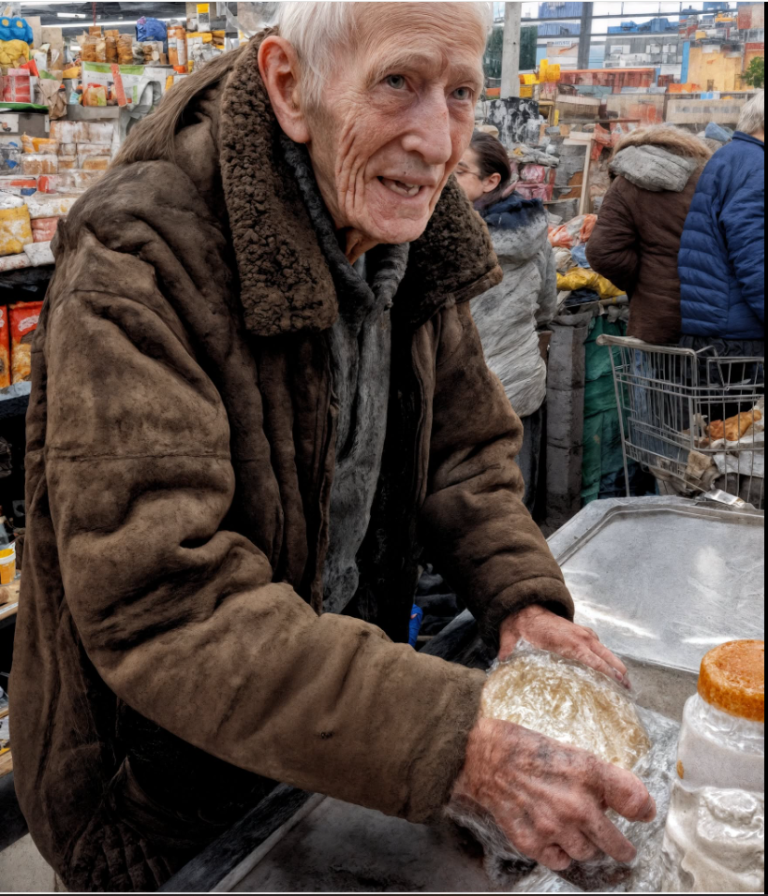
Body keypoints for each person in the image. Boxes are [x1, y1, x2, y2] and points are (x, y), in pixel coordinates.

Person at [11, 4, 654, 891]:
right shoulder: (142, 257)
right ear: (289, 85)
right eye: (397, 82)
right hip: (162, 797)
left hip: (335, 741)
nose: (438, 140)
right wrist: (448, 738)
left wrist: (521, 601)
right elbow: (165, 601)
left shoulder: (410, 227)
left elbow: (464, 451)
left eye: (460, 93)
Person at [457, 131, 557, 512]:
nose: (447, 180)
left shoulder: (453, 235)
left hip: (467, 389)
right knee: (513, 501)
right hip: (521, 382)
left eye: (459, 172)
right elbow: (547, 306)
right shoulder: (535, 231)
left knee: (466, 503)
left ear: (491, 181)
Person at [587, 126, 712, 345]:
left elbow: (602, 252)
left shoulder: (627, 184)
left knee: (658, 368)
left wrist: (640, 281)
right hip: (712, 315)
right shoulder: (707, 177)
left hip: (657, 319)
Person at [678, 90, 765, 358]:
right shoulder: (757, 164)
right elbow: (754, 254)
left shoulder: (729, 156)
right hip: (738, 338)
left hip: (715, 328)